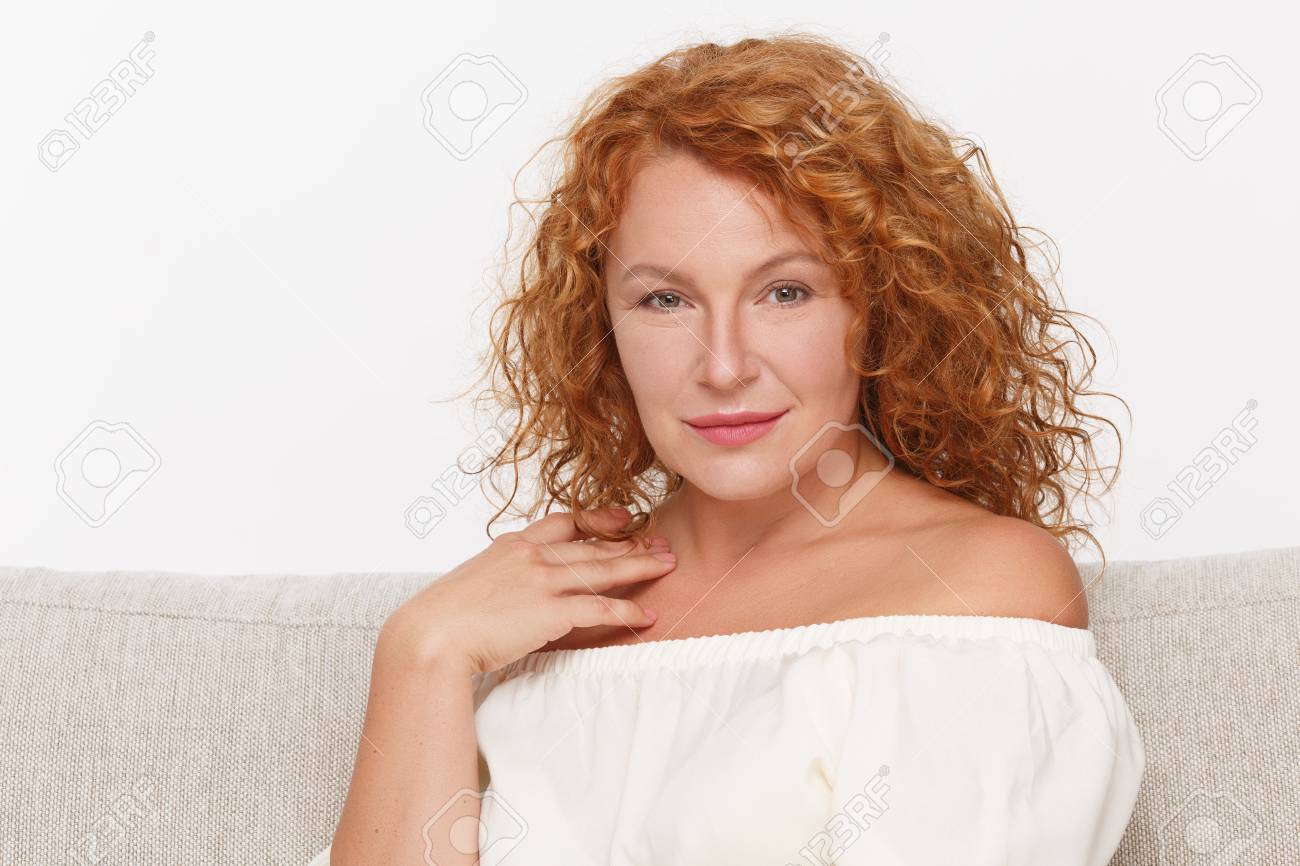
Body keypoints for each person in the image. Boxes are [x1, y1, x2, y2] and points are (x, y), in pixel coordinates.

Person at [315, 31, 1144, 866]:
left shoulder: (976, 586)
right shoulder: (538, 617)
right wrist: (422, 652)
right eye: (665, 300)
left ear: (883, 307)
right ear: (601, 326)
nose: (723, 366)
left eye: (785, 292)